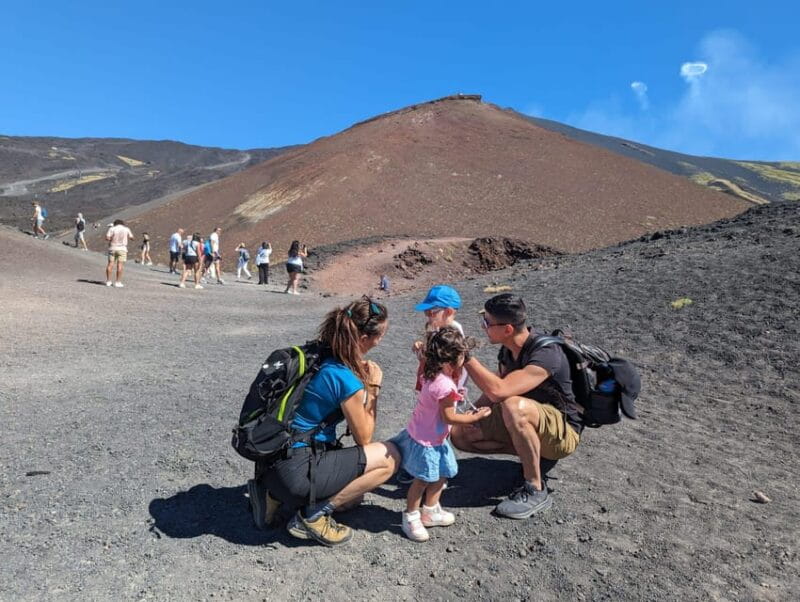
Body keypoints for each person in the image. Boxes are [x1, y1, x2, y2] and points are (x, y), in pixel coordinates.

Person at [253, 297, 400, 546]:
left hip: (273, 459)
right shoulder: (343, 378)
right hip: (297, 470)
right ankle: (311, 517)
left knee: (354, 499)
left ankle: (271, 494)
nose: (380, 340)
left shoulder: (318, 353)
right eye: (380, 335)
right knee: (389, 458)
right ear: (364, 339)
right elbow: (364, 438)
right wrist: (373, 387)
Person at [451, 294, 582, 519]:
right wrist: (470, 416)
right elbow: (493, 393)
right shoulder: (508, 351)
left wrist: (466, 357)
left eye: (487, 323)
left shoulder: (545, 353)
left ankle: (535, 488)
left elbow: (499, 391)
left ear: (508, 329)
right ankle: (535, 457)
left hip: (563, 432)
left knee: (513, 406)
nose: (484, 327)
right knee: (460, 433)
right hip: (532, 421)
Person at [391, 327, 490, 542]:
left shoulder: (433, 373)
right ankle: (410, 516)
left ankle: (430, 509)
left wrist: (456, 396)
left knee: (442, 472)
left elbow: (441, 402)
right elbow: (450, 418)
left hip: (432, 436)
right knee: (422, 480)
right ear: (452, 359)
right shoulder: (444, 385)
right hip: (428, 442)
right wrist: (475, 417)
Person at [397, 285, 469, 485]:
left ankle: (435, 471)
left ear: (449, 311)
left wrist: (457, 390)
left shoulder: (454, 332)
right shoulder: (438, 329)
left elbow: (455, 364)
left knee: (436, 429)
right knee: (426, 425)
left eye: (432, 311)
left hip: (445, 391)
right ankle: (423, 466)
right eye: (427, 312)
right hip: (434, 387)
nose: (428, 316)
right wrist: (421, 349)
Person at [105, 219, 134, 287]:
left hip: (113, 248)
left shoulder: (112, 228)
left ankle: (108, 281)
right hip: (122, 248)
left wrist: (112, 238)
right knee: (120, 265)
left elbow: (107, 238)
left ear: (115, 223)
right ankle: (118, 282)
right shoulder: (126, 229)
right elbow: (132, 238)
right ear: (122, 223)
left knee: (110, 264)